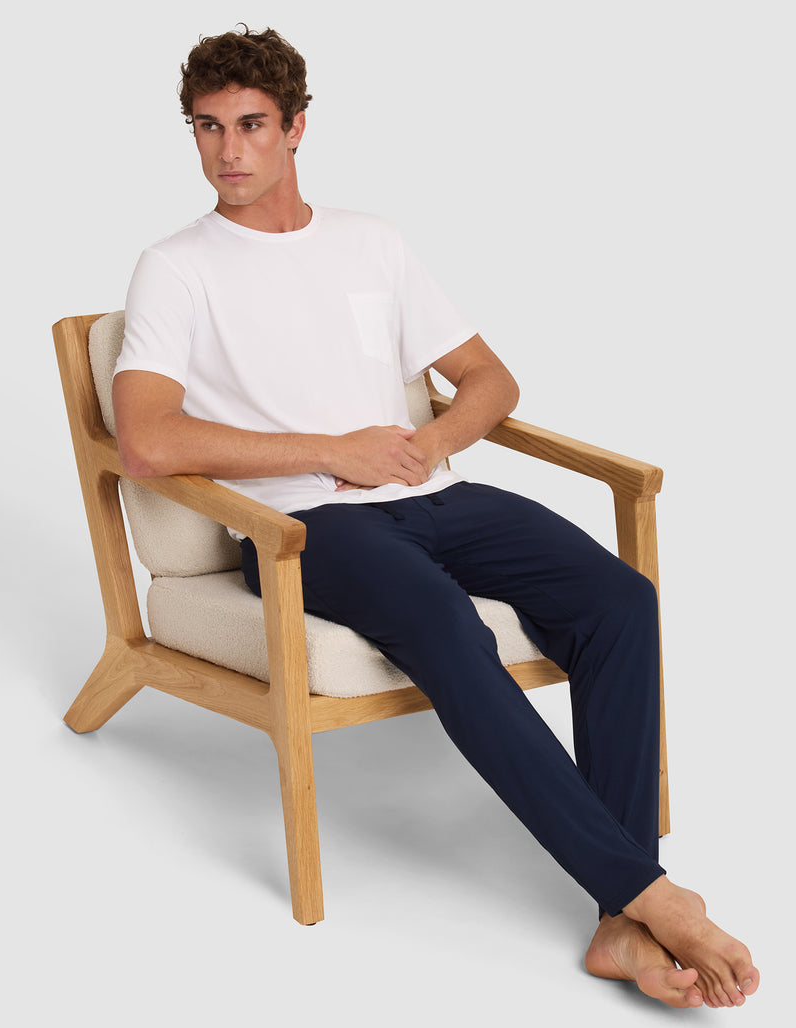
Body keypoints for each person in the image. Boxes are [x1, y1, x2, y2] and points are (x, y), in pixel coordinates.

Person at [112, 26, 759, 1010]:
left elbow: (490, 379)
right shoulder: (176, 266)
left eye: (248, 124)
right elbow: (148, 441)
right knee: (447, 627)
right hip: (304, 527)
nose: (226, 150)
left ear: (295, 128)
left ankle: (615, 925)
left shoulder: (371, 241)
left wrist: (432, 438)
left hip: (434, 497)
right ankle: (645, 891)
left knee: (617, 599)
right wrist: (333, 452)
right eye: (206, 126)